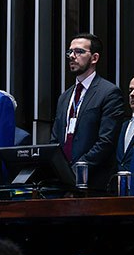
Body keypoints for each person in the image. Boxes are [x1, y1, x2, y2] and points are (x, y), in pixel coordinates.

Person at [51, 33, 126, 191]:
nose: (72, 56)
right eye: (70, 52)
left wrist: (77, 170)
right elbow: (55, 140)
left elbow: (106, 141)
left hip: (95, 183)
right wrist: (60, 171)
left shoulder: (109, 93)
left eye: (79, 51)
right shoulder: (64, 97)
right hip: (62, 183)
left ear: (94, 58)